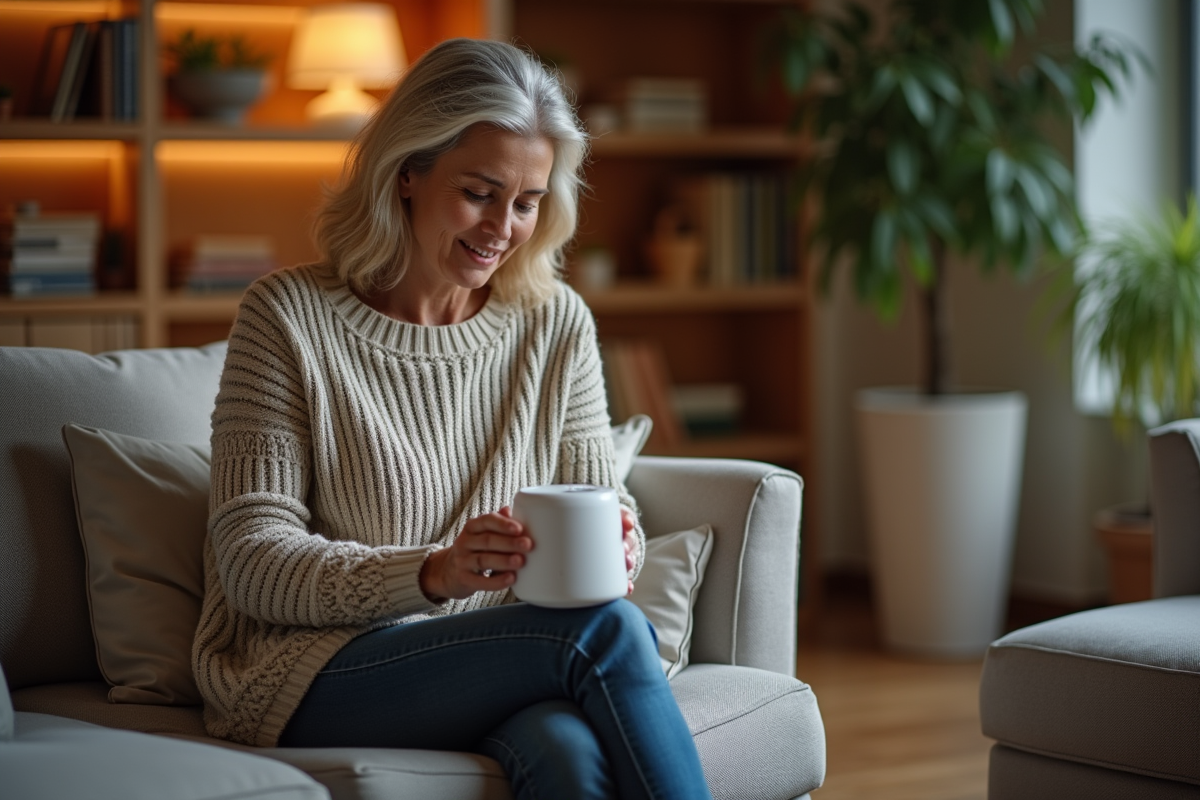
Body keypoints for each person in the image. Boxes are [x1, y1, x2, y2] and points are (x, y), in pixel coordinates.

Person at [192, 37, 713, 800]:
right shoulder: (286, 317)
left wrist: (618, 540)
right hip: (313, 670)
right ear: (407, 172)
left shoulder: (554, 322)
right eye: (479, 192)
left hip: (501, 657)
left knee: (568, 752)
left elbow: (599, 494)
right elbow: (250, 562)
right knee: (606, 634)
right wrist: (433, 572)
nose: (503, 227)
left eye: (527, 203)